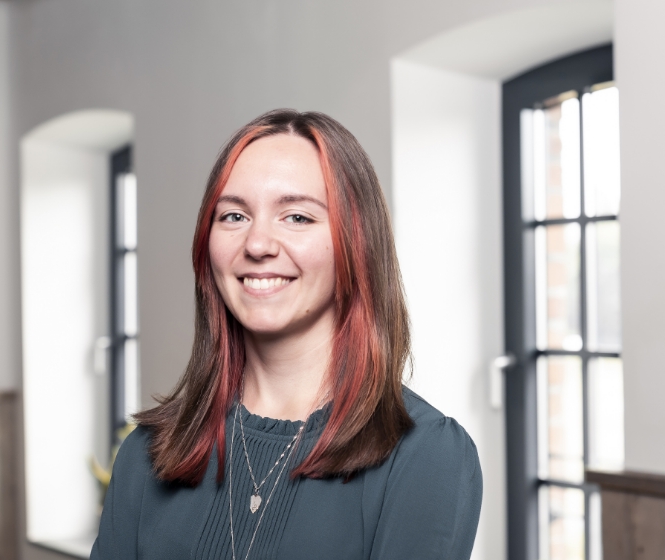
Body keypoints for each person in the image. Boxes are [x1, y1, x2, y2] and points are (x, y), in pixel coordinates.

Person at [91, 109, 482, 560]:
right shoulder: (146, 454)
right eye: (234, 216)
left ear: (356, 243)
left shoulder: (426, 458)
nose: (258, 245)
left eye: (297, 217)